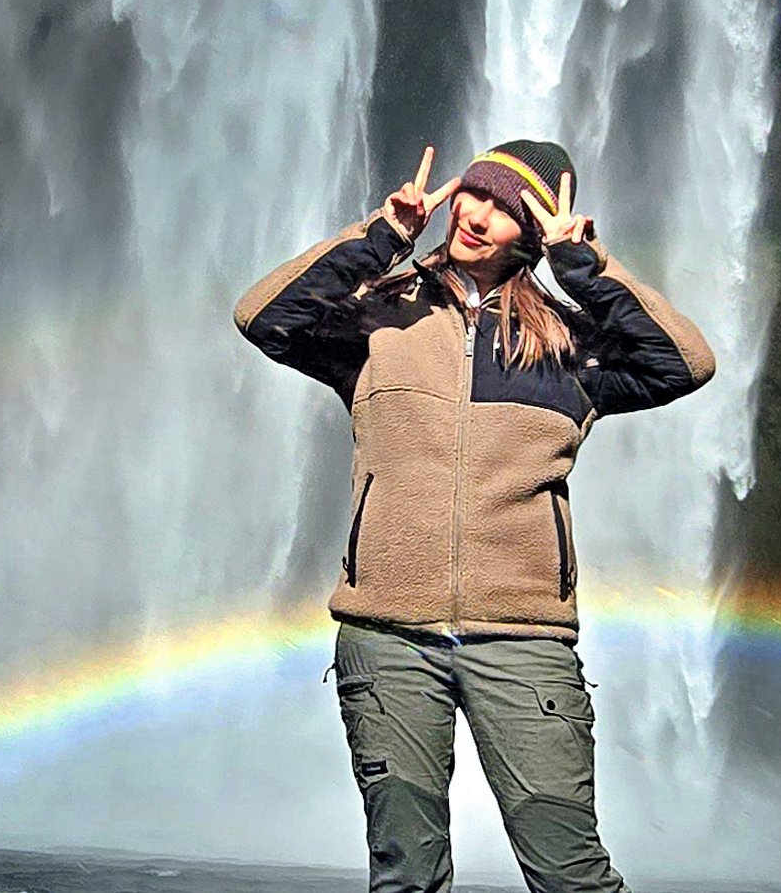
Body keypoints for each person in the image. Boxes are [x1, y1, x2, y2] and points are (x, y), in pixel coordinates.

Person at [232, 139, 716, 893]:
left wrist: (584, 267)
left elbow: (684, 362)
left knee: (572, 876)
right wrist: (383, 239)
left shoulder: (570, 347)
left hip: (523, 642)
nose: (480, 217)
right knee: (405, 880)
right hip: (387, 637)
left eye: (508, 209)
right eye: (476, 194)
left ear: (532, 234)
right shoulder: (377, 320)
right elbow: (262, 317)